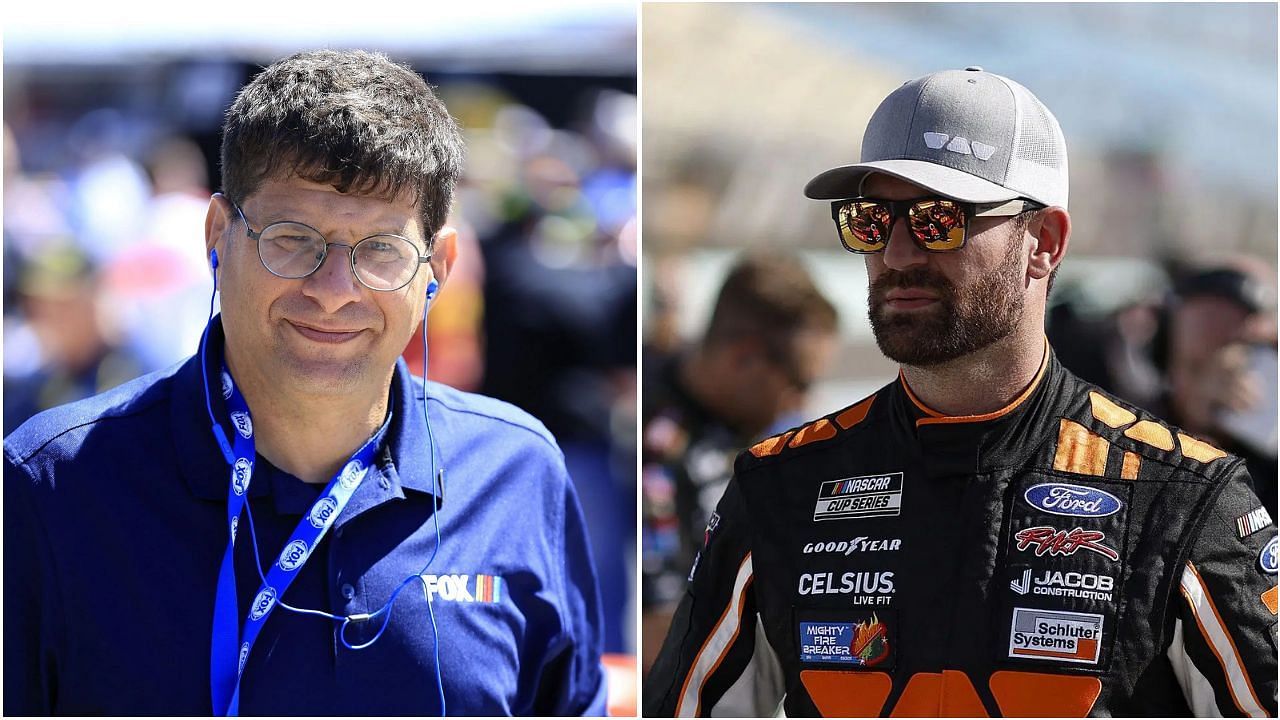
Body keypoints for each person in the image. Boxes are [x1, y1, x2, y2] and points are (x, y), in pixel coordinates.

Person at [644, 68, 1277, 717]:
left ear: (1045, 243)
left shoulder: (1181, 496)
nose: (894, 253)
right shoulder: (780, 486)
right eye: (869, 220)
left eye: (936, 220)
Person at [4, 50, 606, 716]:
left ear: (439, 265)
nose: (332, 291)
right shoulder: (51, 483)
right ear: (217, 235)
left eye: (381, 249)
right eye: (292, 239)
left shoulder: (517, 472)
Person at [642, 250, 838, 671]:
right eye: (798, 383)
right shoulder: (656, 450)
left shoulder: (763, 429)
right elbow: (657, 636)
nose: (804, 405)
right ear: (744, 357)